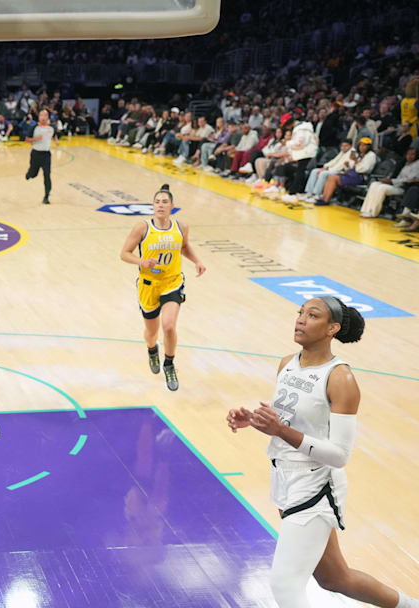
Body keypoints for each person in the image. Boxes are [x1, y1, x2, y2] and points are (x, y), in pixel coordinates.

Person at [227, 298, 419, 608]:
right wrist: (253, 419)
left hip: (315, 486)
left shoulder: (340, 378)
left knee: (285, 586)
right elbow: (289, 421)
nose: (301, 319)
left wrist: (281, 430)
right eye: (300, 313)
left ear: (332, 329)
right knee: (335, 579)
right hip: (284, 477)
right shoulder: (287, 362)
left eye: (312, 315)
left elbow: (340, 455)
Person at [119, 184, 206, 391]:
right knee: (152, 332)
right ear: (152, 206)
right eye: (157, 202)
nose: (160, 205)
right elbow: (124, 253)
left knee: (168, 326)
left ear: (172, 206)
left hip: (172, 282)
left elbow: (183, 247)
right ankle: (151, 350)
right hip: (149, 285)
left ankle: (169, 363)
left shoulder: (181, 227)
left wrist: (197, 261)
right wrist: (142, 262)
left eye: (164, 202)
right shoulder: (142, 228)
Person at [25, 109, 56, 204]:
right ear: (39, 117)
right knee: (34, 174)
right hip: (35, 154)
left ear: (47, 117)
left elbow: (54, 135)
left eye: (45, 115)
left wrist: (56, 140)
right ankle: (29, 174)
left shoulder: (51, 128)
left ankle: (46, 196)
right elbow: (26, 139)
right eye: (41, 115)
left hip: (46, 155)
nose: (43, 117)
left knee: (47, 175)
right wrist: (35, 139)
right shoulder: (34, 127)